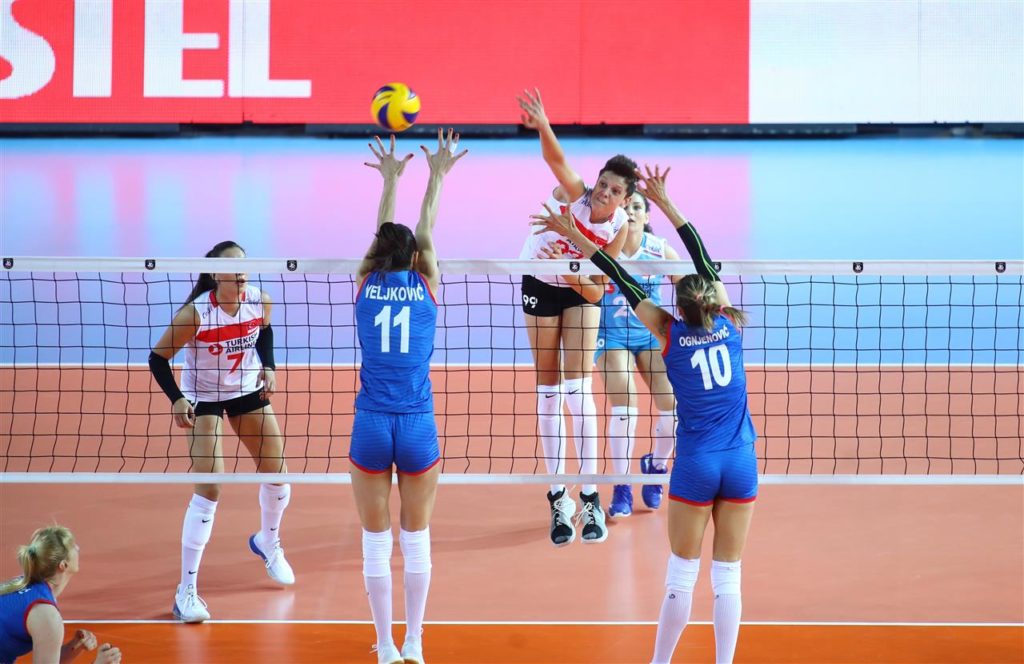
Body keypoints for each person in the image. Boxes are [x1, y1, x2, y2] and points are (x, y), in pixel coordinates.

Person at [532, 165, 756, 664]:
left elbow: (617, 275)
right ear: (713, 299)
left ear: (676, 306)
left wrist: (573, 234)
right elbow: (700, 255)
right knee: (728, 576)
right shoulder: (730, 326)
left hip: (697, 465)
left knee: (682, 575)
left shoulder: (669, 335)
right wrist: (668, 203)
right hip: (741, 460)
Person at [351, 129, 466, 664]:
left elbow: (387, 237)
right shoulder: (426, 283)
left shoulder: (364, 283)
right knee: (415, 538)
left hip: (371, 424)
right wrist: (436, 175)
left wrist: (389, 181)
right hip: (417, 424)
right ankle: (415, 642)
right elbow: (425, 231)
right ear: (416, 259)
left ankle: (385, 646)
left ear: (376, 255)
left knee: (376, 542)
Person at [149, 240, 293, 624]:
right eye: (232, 268)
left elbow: (264, 332)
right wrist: (177, 399)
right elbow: (158, 359)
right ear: (216, 274)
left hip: (246, 389)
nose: (241, 273)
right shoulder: (195, 314)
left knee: (278, 473)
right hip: (203, 398)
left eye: (244, 266)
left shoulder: (259, 300)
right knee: (210, 487)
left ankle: (268, 541)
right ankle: (186, 591)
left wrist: (269, 367)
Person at [517, 88, 634, 546]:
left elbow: (599, 288)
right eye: (603, 183)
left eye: (615, 190)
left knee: (578, 389)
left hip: (579, 291)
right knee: (548, 391)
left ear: (625, 199)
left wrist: (569, 266)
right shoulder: (576, 195)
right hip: (539, 283)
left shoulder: (618, 228)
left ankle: (589, 495)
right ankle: (557, 497)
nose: (604, 192)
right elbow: (556, 159)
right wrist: (544, 124)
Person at [595, 191, 681, 518]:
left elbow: (688, 287)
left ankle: (656, 467)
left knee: (674, 409)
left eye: (636, 207)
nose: (630, 211)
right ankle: (622, 485)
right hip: (611, 337)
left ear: (646, 216)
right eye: (624, 206)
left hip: (651, 335)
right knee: (625, 408)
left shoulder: (659, 249)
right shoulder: (603, 249)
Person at [0, 526, 121, 664]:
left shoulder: (23, 584)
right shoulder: (46, 615)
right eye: (73, 546)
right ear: (63, 565)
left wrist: (73, 647)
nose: (78, 548)